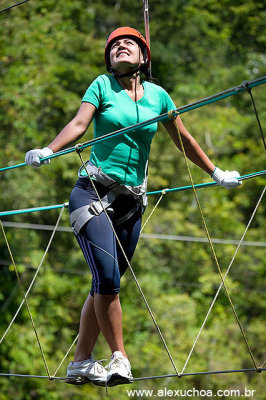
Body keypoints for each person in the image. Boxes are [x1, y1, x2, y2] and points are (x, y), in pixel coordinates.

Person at [25, 27, 242, 387]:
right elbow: (80, 123)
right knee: (108, 280)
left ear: (144, 58)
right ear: (109, 61)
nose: (120, 47)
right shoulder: (101, 86)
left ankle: (80, 363)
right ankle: (119, 358)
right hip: (92, 194)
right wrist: (49, 150)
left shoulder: (159, 97)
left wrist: (217, 173)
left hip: (131, 203)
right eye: (114, 46)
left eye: (130, 44)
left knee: (103, 283)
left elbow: (183, 139)